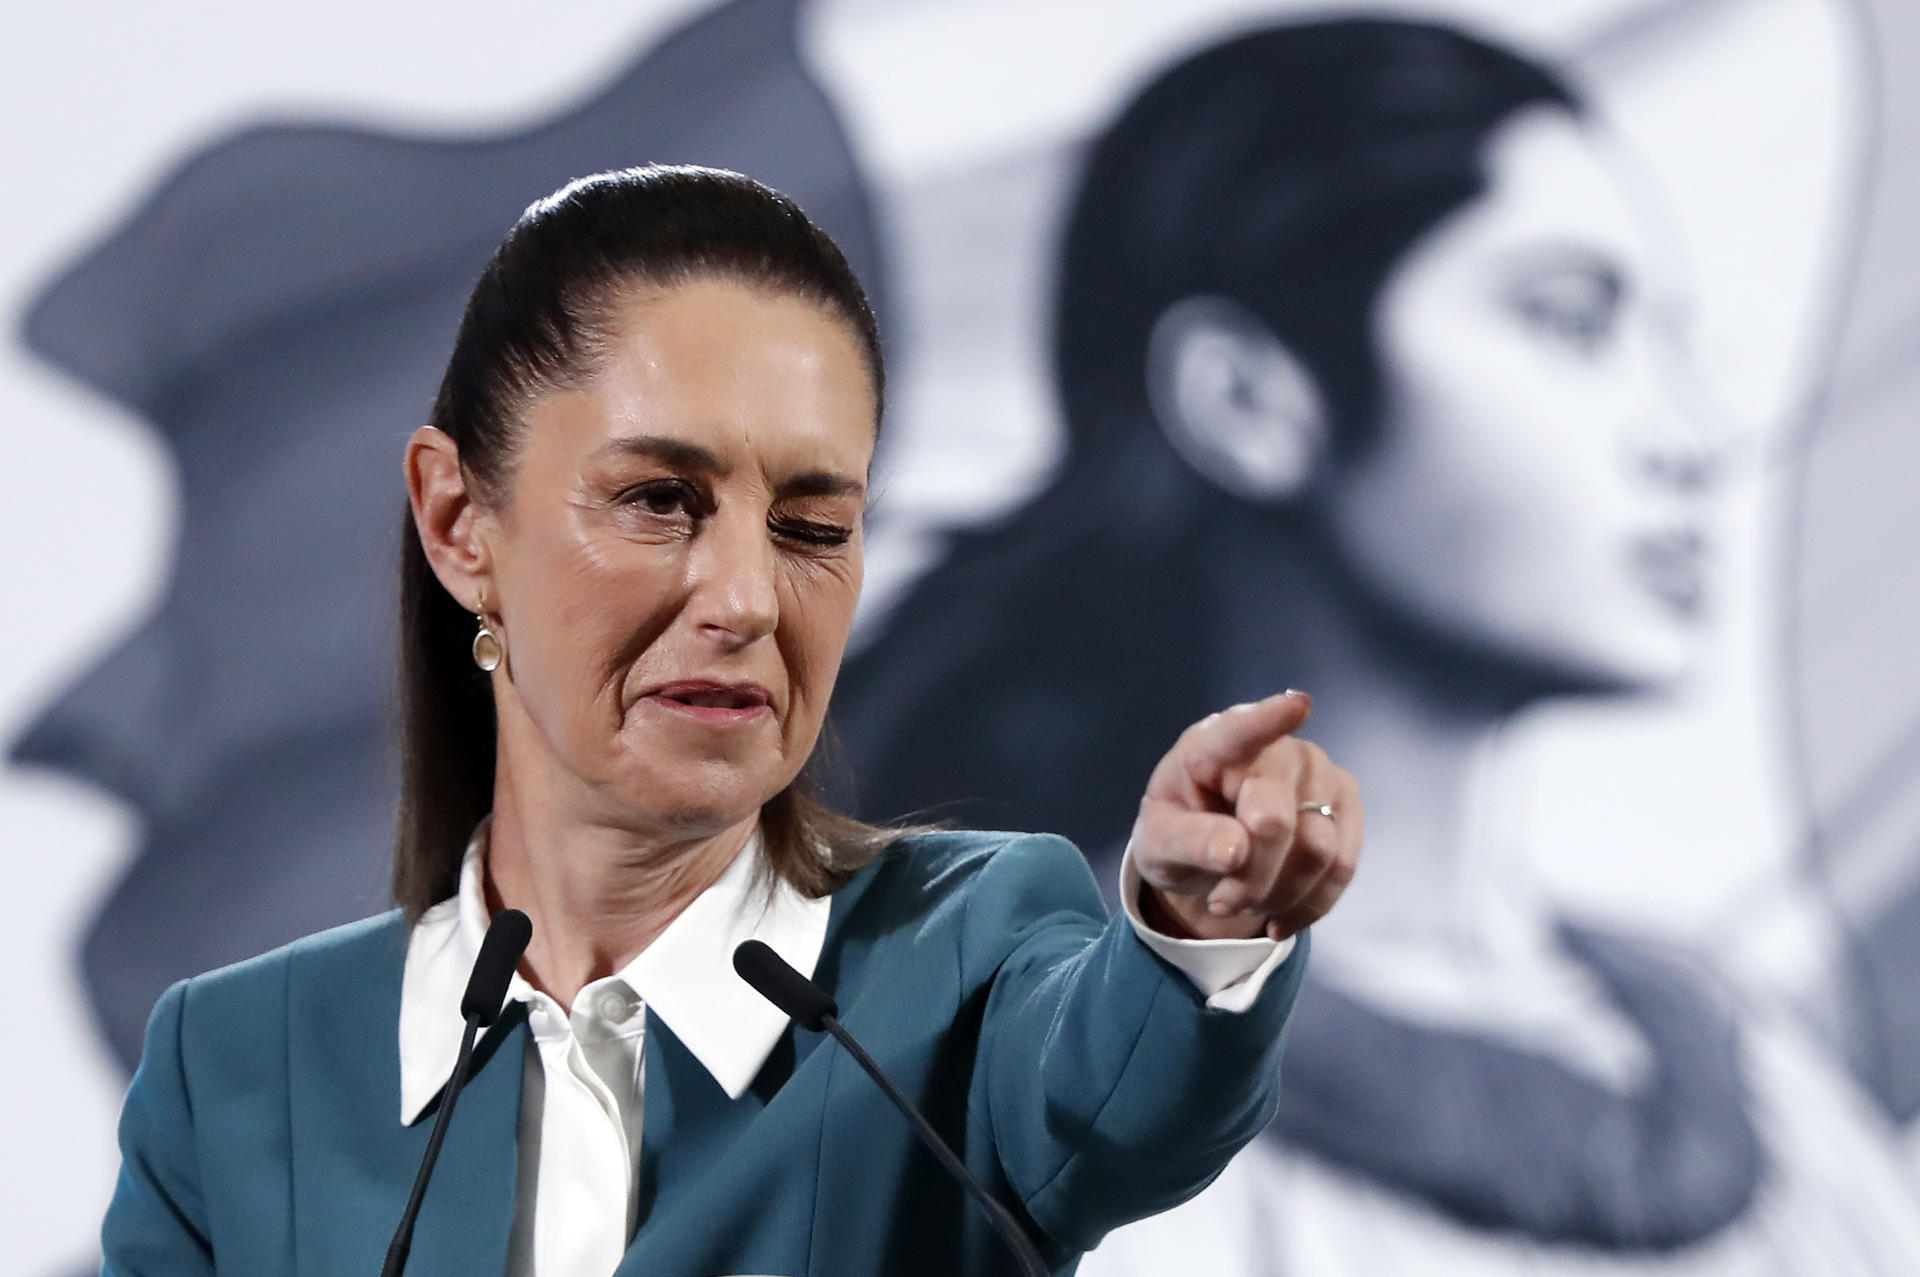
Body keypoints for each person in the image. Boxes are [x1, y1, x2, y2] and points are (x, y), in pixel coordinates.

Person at [97, 165, 1361, 1277]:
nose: (751, 599)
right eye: (657, 499)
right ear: (458, 523)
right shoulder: (231, 1065)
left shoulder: (968, 952)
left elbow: (1122, 1097)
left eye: (813, 526)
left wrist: (1200, 930)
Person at [832, 18, 1920, 1275]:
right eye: (1570, 322)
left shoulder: (1751, 1069)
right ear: (1247, 397)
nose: (1689, 433)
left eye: (1669, 338)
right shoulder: (1023, 1065)